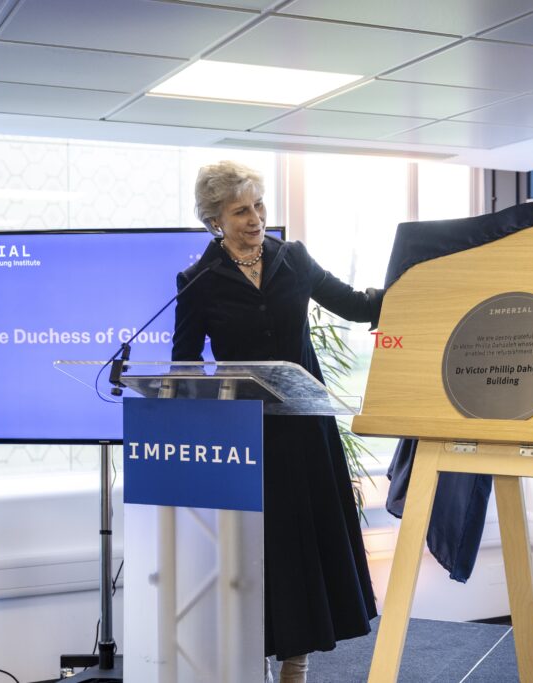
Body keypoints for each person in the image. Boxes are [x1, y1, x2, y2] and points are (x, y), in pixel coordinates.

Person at [172, 161, 382, 683]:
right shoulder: (197, 281)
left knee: (305, 547)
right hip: (246, 439)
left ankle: (296, 665)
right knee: (259, 552)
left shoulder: (294, 260)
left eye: (259, 205)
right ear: (215, 220)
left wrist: (414, 289)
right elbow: (184, 364)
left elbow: (355, 307)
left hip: (306, 431)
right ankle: (254, 661)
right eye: (240, 211)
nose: (255, 218)